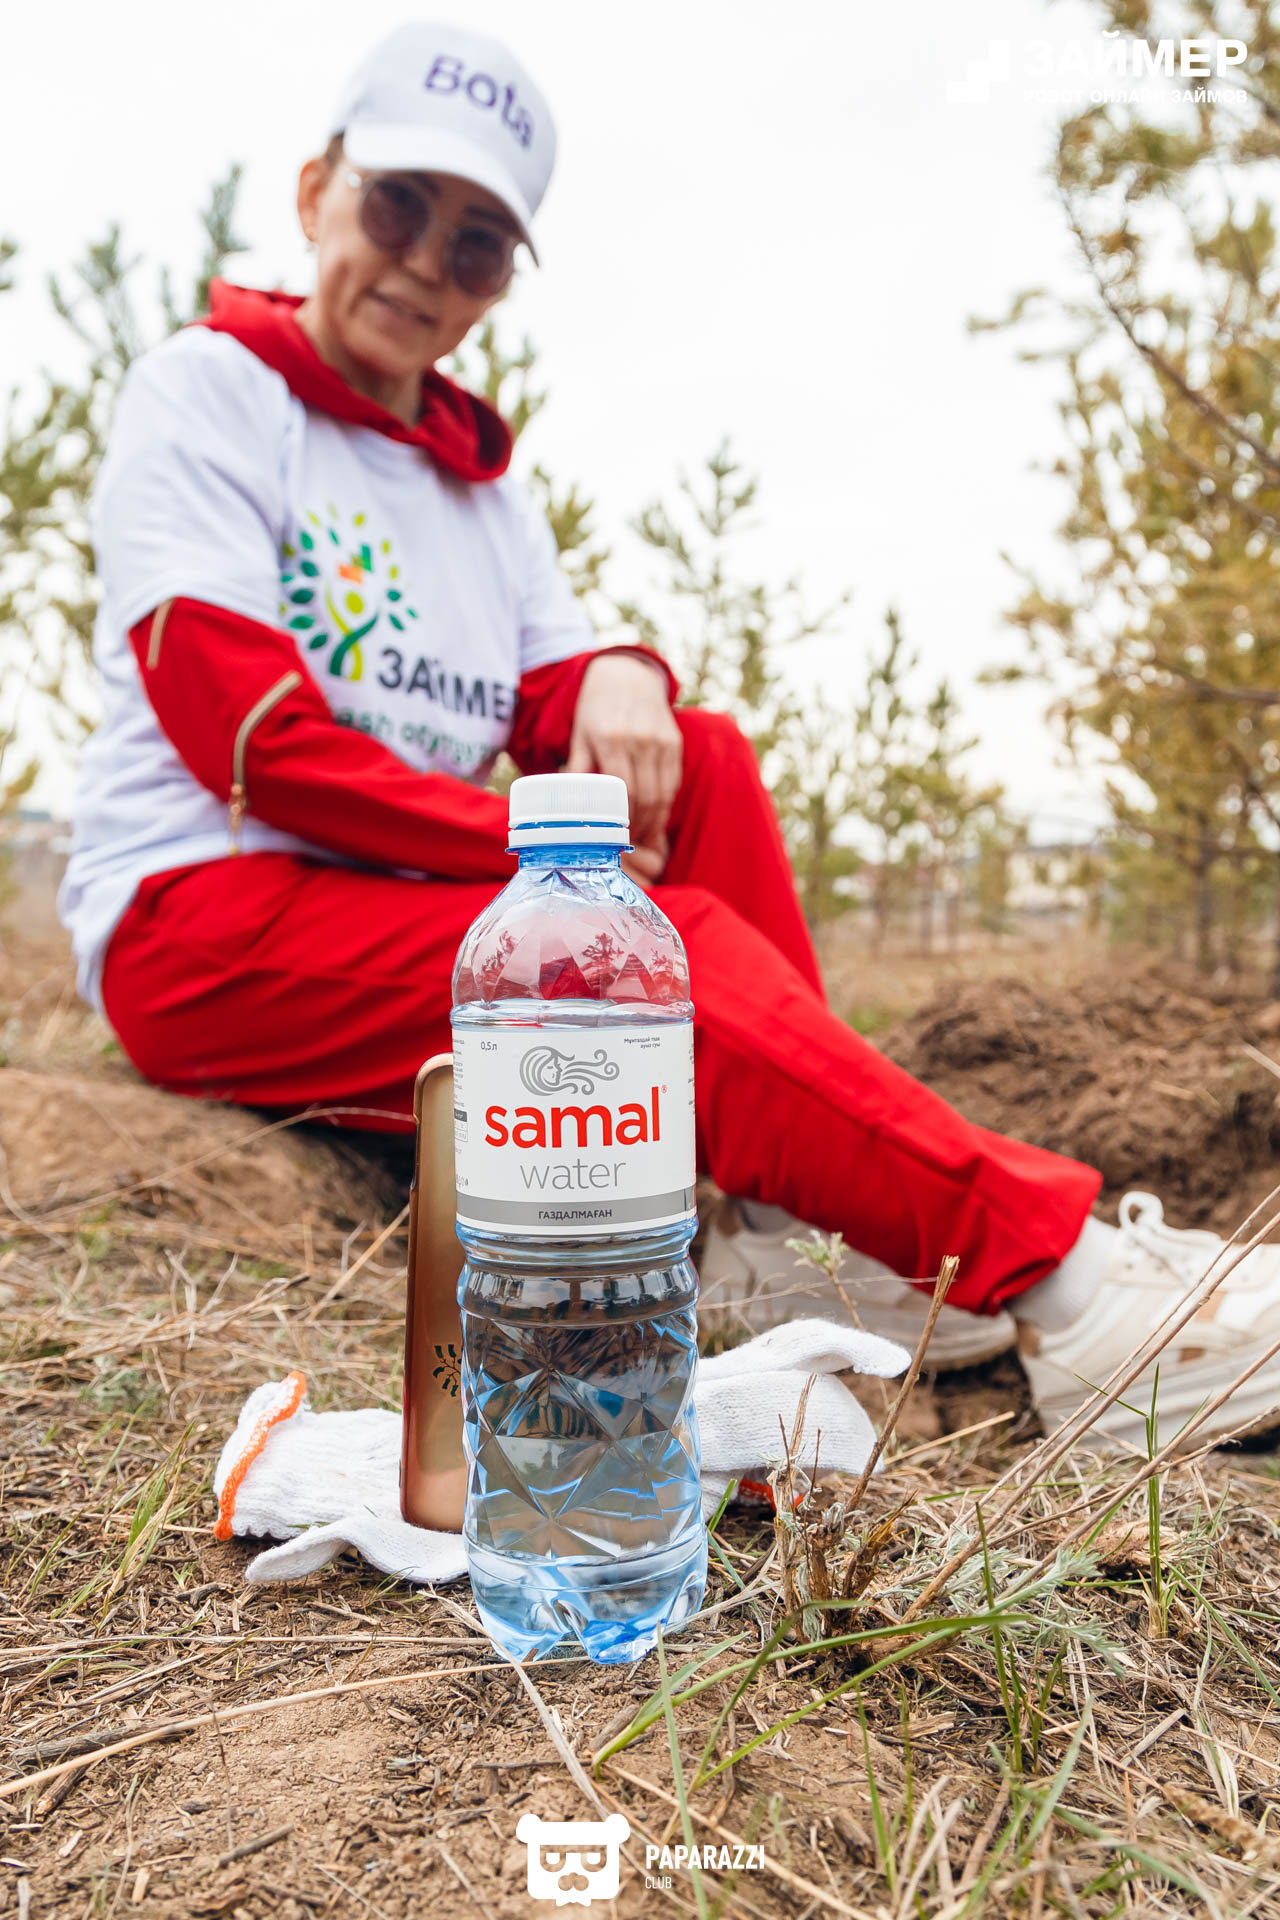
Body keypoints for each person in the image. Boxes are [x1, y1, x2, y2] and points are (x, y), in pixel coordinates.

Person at [58, 21, 1280, 1450]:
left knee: (700, 754)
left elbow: (556, 687)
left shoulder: (479, 488)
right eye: (397, 206)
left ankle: (771, 1229)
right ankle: (1077, 1296)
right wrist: (535, 849)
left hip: (385, 899)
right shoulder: (213, 390)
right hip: (203, 922)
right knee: (650, 956)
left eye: (477, 244)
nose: (425, 262)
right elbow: (251, 744)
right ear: (316, 191)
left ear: (501, 281)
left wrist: (625, 674)